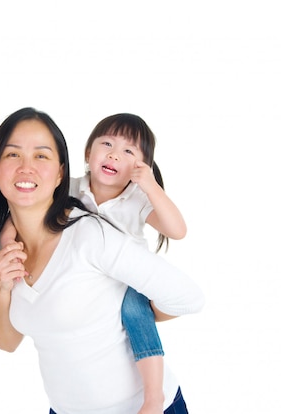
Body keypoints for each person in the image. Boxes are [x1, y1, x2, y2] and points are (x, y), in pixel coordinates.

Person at [0, 107, 205, 413]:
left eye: (41, 156)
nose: (26, 168)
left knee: (133, 308)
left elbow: (189, 297)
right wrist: (4, 289)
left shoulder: (92, 233)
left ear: (60, 172)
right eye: (12, 155)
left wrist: (133, 311)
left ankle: (153, 394)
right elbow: (6, 342)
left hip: (143, 409)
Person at [69, 113, 188, 413]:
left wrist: (151, 187)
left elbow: (177, 230)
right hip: (84, 285)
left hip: (124, 284)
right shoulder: (70, 189)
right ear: (88, 153)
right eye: (106, 143)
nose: (113, 154)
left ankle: (153, 396)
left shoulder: (137, 199)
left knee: (135, 311)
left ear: (139, 167)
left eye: (128, 151)